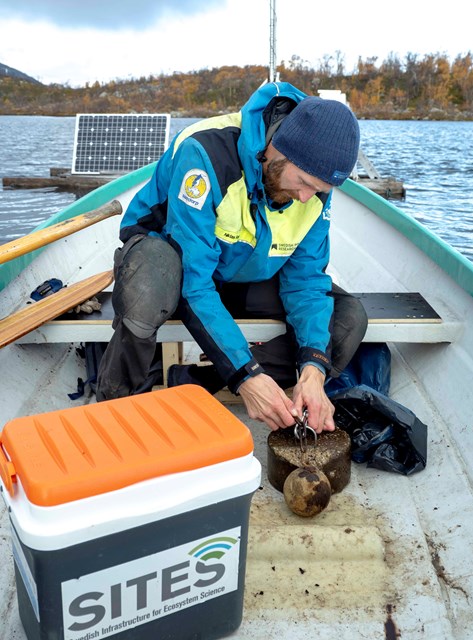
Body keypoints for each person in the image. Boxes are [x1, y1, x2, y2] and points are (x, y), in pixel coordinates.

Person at [96, 81, 368, 434]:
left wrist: (314, 369)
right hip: (173, 269)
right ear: (276, 149)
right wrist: (246, 374)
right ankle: (116, 410)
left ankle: (197, 381)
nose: (305, 198)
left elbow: (306, 283)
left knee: (346, 319)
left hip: (241, 273)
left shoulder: (312, 192)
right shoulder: (205, 153)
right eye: (302, 182)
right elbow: (194, 283)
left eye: (319, 190)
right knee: (148, 286)